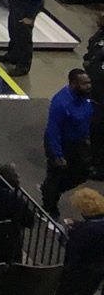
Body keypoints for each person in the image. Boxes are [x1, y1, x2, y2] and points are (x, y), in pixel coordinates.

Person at [44, 69, 95, 210]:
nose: (89, 86)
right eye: (85, 84)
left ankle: (52, 190)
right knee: (56, 175)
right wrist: (57, 154)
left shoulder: (85, 97)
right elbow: (53, 130)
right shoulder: (61, 102)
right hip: (60, 142)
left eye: (89, 82)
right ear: (74, 84)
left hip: (78, 141)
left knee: (83, 172)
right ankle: (48, 207)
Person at [57, 187, 104, 295]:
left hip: (81, 270)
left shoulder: (86, 231)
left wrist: (68, 231)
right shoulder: (98, 223)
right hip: (98, 268)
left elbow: (73, 247)